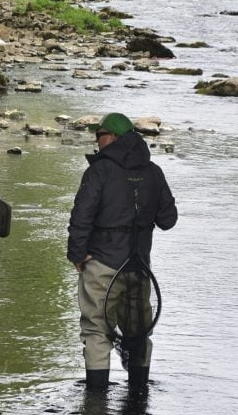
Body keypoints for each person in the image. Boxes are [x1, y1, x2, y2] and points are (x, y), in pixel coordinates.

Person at [67, 112, 177, 390]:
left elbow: (81, 217)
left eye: (99, 135)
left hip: (103, 263)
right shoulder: (153, 171)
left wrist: (78, 255)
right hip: (140, 268)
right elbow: (168, 220)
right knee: (139, 331)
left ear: (113, 137)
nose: (96, 141)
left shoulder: (98, 171)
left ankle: (96, 402)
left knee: (96, 330)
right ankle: (138, 396)